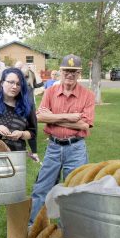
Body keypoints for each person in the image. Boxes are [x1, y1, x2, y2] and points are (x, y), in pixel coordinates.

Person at [29, 54, 95, 225]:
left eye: (74, 71)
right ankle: (33, 231)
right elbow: (40, 117)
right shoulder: (50, 92)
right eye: (67, 70)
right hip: (53, 147)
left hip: (76, 148)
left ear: (79, 73)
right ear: (60, 71)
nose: (70, 74)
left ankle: (70, 232)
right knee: (41, 189)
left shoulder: (87, 95)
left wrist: (54, 117)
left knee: (74, 191)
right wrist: (71, 117)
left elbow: (84, 125)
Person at [0, 67, 36, 238]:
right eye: (10, 82)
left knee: (15, 201)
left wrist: (21, 134)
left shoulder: (27, 105)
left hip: (15, 160)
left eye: (18, 83)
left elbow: (32, 132)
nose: (14, 86)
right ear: (2, 82)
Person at [15, 61, 43, 163]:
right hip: (18, 107)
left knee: (32, 129)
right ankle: (20, 151)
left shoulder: (29, 80)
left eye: (20, 67)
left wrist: (34, 71)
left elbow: (40, 84)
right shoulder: (16, 81)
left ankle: (34, 153)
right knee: (18, 128)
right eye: (17, 67)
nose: (19, 69)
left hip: (30, 107)